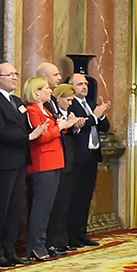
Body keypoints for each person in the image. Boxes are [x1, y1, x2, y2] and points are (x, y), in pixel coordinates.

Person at [0, 62, 32, 266]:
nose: (14, 77)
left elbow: (23, 125)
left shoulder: (17, 100)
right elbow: (0, 132)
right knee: (1, 208)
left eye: (16, 73)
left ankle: (10, 248)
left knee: (15, 208)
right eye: (10, 74)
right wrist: (29, 136)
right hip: (4, 161)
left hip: (21, 160)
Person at [22, 75, 72, 262]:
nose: (50, 91)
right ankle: (36, 245)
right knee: (41, 208)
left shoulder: (47, 109)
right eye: (46, 89)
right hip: (43, 162)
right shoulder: (32, 110)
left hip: (55, 160)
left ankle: (41, 243)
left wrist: (63, 125)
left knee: (48, 207)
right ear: (36, 92)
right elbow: (39, 137)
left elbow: (54, 129)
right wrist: (58, 128)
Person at [60, 72, 110, 249]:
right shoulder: (70, 105)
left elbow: (105, 127)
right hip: (77, 157)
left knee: (85, 197)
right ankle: (71, 235)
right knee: (74, 197)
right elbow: (76, 124)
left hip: (92, 156)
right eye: (80, 84)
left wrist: (101, 115)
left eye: (86, 84)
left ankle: (82, 233)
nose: (84, 87)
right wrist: (95, 117)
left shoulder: (90, 104)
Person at [47, 81, 86, 252]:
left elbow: (70, 136)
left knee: (65, 204)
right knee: (56, 204)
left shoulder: (69, 114)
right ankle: (54, 240)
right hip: (55, 161)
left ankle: (62, 239)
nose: (70, 103)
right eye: (68, 100)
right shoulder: (53, 112)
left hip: (68, 161)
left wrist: (75, 127)